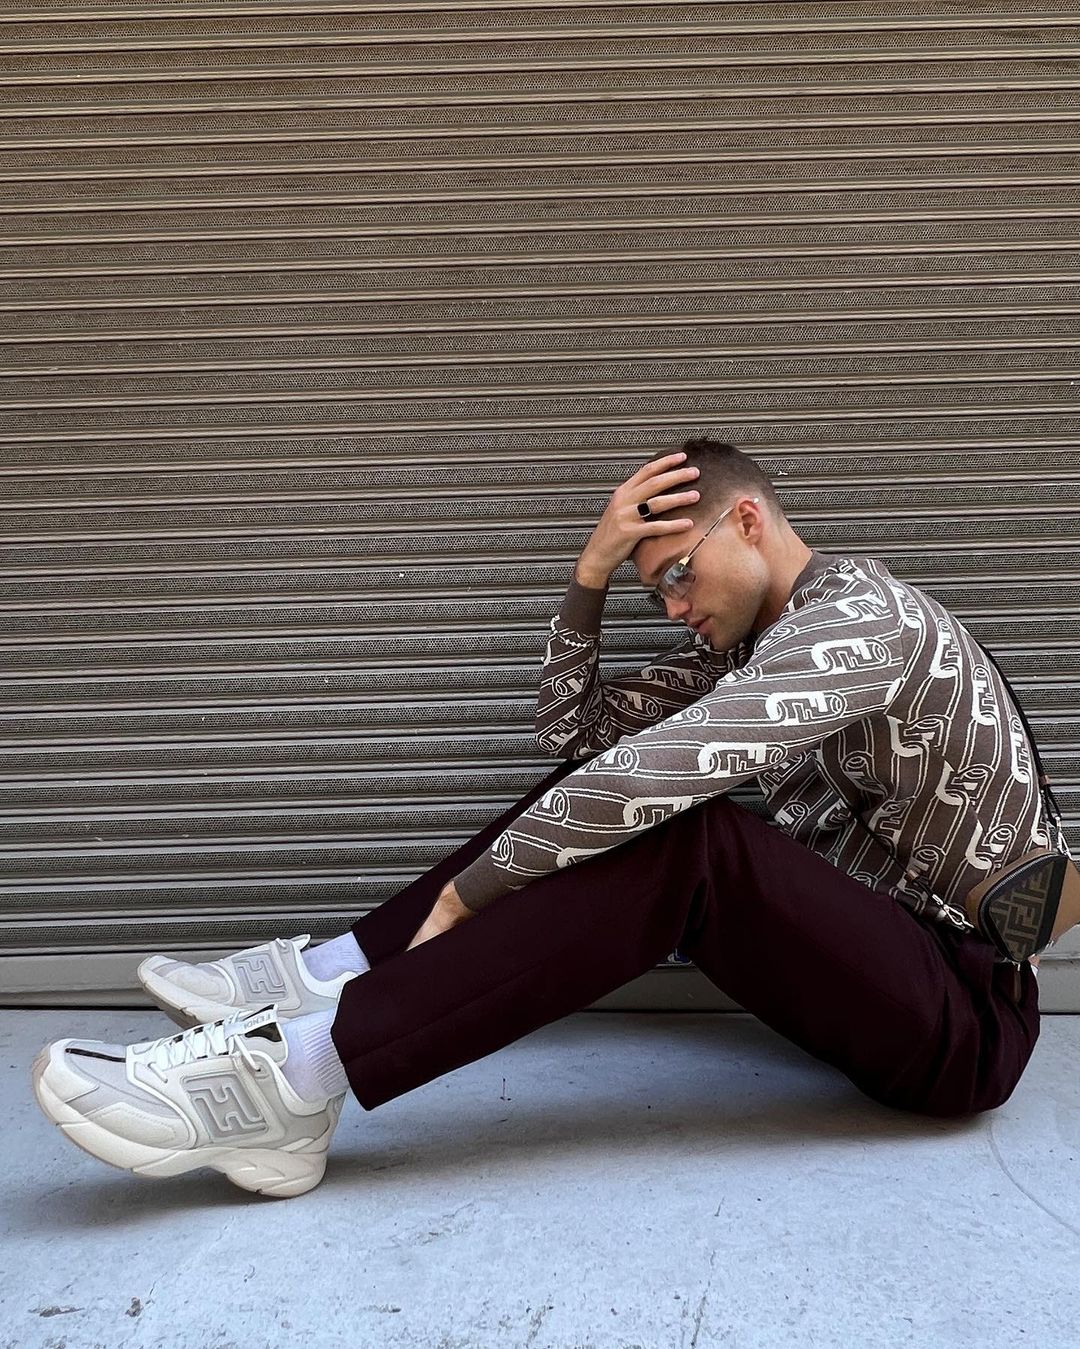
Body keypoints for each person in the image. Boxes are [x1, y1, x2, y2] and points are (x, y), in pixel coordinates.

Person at [31, 437, 1049, 1199]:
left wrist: (473, 894)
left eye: (677, 574)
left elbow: (665, 769)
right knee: (624, 790)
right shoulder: (752, 649)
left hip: (967, 1019)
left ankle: (295, 1082)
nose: (674, 607)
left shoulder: (866, 620)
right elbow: (578, 734)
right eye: (655, 593)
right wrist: (591, 571)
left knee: (687, 833)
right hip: (879, 974)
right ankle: (328, 972)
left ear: (748, 521)